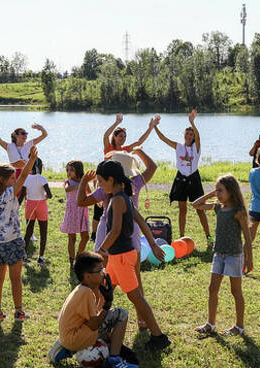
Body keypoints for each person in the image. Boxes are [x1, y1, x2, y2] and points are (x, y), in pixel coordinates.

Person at [77, 148, 157, 329]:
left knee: (101, 277)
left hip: (112, 235)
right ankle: (140, 319)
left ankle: (96, 316)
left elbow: (82, 202)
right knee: (130, 280)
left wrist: (84, 182)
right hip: (131, 232)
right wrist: (140, 152)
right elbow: (152, 167)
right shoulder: (133, 183)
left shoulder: (109, 191)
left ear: (111, 177)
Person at [95, 160, 171, 350]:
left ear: (111, 179)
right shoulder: (124, 197)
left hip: (121, 257)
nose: (100, 186)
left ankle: (158, 336)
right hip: (118, 256)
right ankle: (95, 328)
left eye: (101, 182)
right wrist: (152, 244)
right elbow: (142, 222)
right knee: (104, 291)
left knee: (136, 297)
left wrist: (100, 251)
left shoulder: (118, 200)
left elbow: (115, 231)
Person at [49, 251, 138, 367]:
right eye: (100, 271)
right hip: (75, 339)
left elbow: (94, 315)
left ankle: (66, 348)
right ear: (87, 276)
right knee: (121, 314)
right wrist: (108, 303)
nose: (103, 274)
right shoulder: (86, 293)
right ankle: (113, 361)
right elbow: (94, 325)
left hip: (69, 336)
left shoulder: (82, 289)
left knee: (108, 330)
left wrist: (101, 295)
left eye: (103, 270)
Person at [192, 174, 252, 336]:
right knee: (212, 289)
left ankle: (239, 326)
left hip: (234, 256)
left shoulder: (238, 211)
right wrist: (211, 194)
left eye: (220, 190)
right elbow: (195, 205)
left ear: (231, 191)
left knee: (236, 291)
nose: (217, 194)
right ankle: (210, 323)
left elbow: (247, 235)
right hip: (218, 255)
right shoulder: (218, 207)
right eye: (216, 190)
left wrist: (249, 257)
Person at [0, 145, 38, 322]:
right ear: (3, 179)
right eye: (11, 178)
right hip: (12, 241)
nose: (14, 180)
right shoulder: (9, 193)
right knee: (16, 279)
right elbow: (24, 176)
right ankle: (19, 312)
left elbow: (19, 177)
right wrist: (31, 159)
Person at [153, 110, 214, 247]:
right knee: (182, 209)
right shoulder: (178, 146)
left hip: (194, 179)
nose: (189, 135)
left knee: (200, 208)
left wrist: (192, 122)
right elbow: (163, 138)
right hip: (181, 179)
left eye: (191, 134)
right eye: (187, 133)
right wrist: (154, 126)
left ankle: (209, 237)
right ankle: (181, 237)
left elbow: (198, 137)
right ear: (183, 135)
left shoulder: (196, 147)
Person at [21, 157, 52, 266]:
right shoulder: (43, 179)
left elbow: (21, 196)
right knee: (43, 231)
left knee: (29, 230)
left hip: (30, 204)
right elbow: (50, 195)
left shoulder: (26, 179)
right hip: (41, 205)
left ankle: (23, 255)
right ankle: (40, 257)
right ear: (40, 167)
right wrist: (44, 196)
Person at [60, 160, 90, 268]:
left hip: (82, 211)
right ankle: (72, 260)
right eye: (67, 170)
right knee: (72, 238)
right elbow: (67, 189)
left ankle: (78, 257)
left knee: (85, 236)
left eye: (71, 170)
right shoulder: (68, 182)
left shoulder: (84, 181)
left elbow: (89, 193)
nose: (69, 172)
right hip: (72, 212)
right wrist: (80, 185)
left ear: (78, 170)